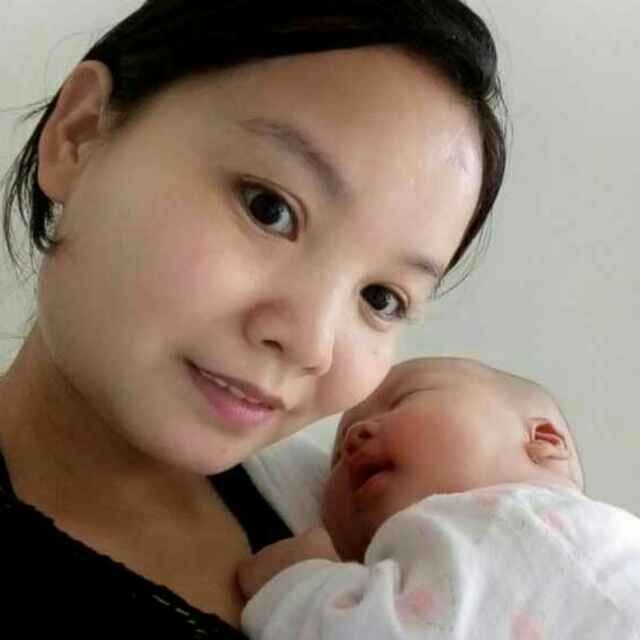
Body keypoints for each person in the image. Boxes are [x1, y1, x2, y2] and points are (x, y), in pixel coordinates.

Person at [0, 1, 507, 637]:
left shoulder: (375, 545)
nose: (311, 342)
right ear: (79, 136)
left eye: (381, 298)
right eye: (269, 209)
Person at [238, 357, 640, 639]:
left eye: (403, 399)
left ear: (544, 440)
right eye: (337, 456)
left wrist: (299, 581)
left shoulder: (520, 521)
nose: (353, 437)